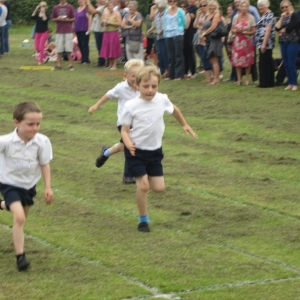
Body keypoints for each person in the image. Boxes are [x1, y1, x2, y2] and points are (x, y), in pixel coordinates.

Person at [120, 65, 197, 232]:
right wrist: (127, 143)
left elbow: (174, 109)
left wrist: (184, 124)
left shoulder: (162, 99)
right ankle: (143, 220)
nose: (150, 90)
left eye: (154, 86)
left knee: (159, 188)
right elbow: (124, 130)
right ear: (137, 85)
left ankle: (143, 177)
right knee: (144, 186)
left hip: (155, 151)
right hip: (136, 151)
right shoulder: (131, 105)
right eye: (146, 86)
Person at [0, 102, 53, 271]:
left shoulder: (42, 142)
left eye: (38, 124)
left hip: (29, 185)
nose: (35, 128)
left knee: (22, 218)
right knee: (20, 217)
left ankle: (2, 205)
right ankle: (20, 258)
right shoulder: (5, 141)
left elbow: (45, 164)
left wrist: (48, 187)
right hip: (8, 183)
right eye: (30, 124)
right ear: (16, 122)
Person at [88, 59, 144, 184]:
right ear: (125, 76)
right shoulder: (121, 88)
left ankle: (105, 153)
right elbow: (108, 95)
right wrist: (96, 106)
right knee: (132, 146)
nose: (136, 78)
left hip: (138, 123)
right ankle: (128, 176)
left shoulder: (143, 87)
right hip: (124, 123)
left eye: (139, 75)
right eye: (133, 76)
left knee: (124, 146)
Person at [275, 0, 300, 91]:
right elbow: (277, 28)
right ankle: (290, 83)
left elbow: (290, 27)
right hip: (283, 42)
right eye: (282, 7)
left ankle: (294, 83)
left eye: (286, 6)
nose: (285, 8)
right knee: (285, 63)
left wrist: (283, 30)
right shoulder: (283, 17)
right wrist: (281, 18)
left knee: (291, 63)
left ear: (290, 6)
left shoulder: (295, 16)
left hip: (293, 42)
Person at [231, 0, 256, 85]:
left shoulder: (251, 17)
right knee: (237, 61)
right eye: (243, 6)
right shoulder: (235, 17)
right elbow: (232, 29)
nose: (244, 8)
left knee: (247, 61)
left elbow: (253, 31)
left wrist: (245, 32)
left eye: (246, 6)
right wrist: (236, 30)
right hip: (238, 41)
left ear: (248, 8)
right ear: (240, 7)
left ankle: (247, 79)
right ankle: (239, 79)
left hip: (247, 42)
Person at [164, 0, 186, 80]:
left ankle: (179, 74)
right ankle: (171, 74)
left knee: (178, 55)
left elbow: (184, 22)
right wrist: (165, 32)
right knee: (170, 55)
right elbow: (165, 22)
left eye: (174, 1)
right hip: (168, 34)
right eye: (170, 1)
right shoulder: (166, 11)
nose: (172, 2)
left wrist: (180, 29)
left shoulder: (180, 11)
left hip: (178, 34)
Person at [201, 0, 223, 85]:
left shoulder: (216, 14)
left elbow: (213, 27)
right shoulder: (208, 15)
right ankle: (215, 77)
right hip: (209, 40)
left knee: (214, 59)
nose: (212, 7)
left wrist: (204, 33)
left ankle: (216, 79)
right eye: (210, 6)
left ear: (216, 6)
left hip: (215, 39)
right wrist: (204, 35)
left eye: (213, 6)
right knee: (211, 59)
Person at [255, 0, 275, 88]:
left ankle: (264, 82)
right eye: (259, 6)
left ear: (266, 5)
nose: (260, 7)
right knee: (266, 61)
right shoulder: (263, 15)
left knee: (264, 62)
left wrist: (264, 44)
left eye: (261, 5)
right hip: (261, 41)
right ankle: (269, 81)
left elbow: (268, 30)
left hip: (266, 42)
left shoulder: (269, 15)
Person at [51, 0, 75, 71]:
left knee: (69, 48)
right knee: (59, 48)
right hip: (59, 31)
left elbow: (73, 18)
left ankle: (70, 65)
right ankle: (59, 65)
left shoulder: (70, 7)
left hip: (68, 30)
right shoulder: (55, 7)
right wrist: (57, 19)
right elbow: (53, 19)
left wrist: (67, 20)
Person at [194, 0, 213, 82]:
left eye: (204, 5)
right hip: (200, 38)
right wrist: (198, 16)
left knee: (206, 57)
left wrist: (202, 28)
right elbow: (195, 25)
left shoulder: (209, 15)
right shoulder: (200, 15)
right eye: (201, 6)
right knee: (202, 57)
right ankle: (207, 76)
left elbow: (210, 26)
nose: (202, 7)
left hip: (206, 38)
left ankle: (210, 76)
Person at [100, 1, 122, 70]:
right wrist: (103, 22)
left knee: (113, 48)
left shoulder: (117, 14)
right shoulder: (105, 14)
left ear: (113, 6)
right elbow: (101, 24)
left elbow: (119, 23)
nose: (110, 7)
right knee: (108, 48)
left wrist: (109, 22)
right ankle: (110, 64)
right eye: (108, 6)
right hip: (106, 33)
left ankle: (114, 65)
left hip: (113, 33)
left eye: (111, 6)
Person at [180, 0, 196, 78]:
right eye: (181, 6)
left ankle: (193, 72)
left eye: (184, 6)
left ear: (186, 7)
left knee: (190, 53)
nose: (183, 8)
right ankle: (185, 71)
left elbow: (187, 25)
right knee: (184, 53)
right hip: (182, 35)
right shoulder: (179, 14)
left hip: (188, 34)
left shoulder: (187, 14)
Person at [74, 0, 92, 64]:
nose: (81, 1)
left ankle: (85, 59)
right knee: (80, 44)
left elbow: (90, 18)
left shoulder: (86, 9)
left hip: (84, 29)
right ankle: (83, 58)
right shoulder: (76, 9)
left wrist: (89, 28)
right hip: (78, 29)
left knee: (84, 44)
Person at [91, 0, 107, 67]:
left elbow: (93, 12)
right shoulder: (99, 6)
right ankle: (101, 60)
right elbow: (90, 12)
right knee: (99, 46)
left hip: (100, 30)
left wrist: (88, 3)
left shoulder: (103, 7)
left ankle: (102, 61)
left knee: (100, 46)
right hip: (97, 29)